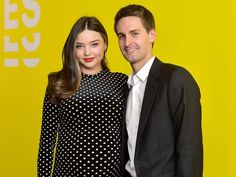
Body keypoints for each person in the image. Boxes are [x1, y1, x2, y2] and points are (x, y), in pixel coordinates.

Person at [114, 4, 203, 177]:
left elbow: (189, 149)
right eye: (121, 36)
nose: (127, 42)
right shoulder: (126, 87)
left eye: (134, 33)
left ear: (151, 35)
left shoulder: (176, 79)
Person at [37, 16, 128, 177]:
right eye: (79, 46)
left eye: (94, 44)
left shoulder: (121, 82)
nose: (87, 52)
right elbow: (47, 140)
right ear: (72, 48)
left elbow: (134, 134)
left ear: (105, 43)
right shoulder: (58, 82)